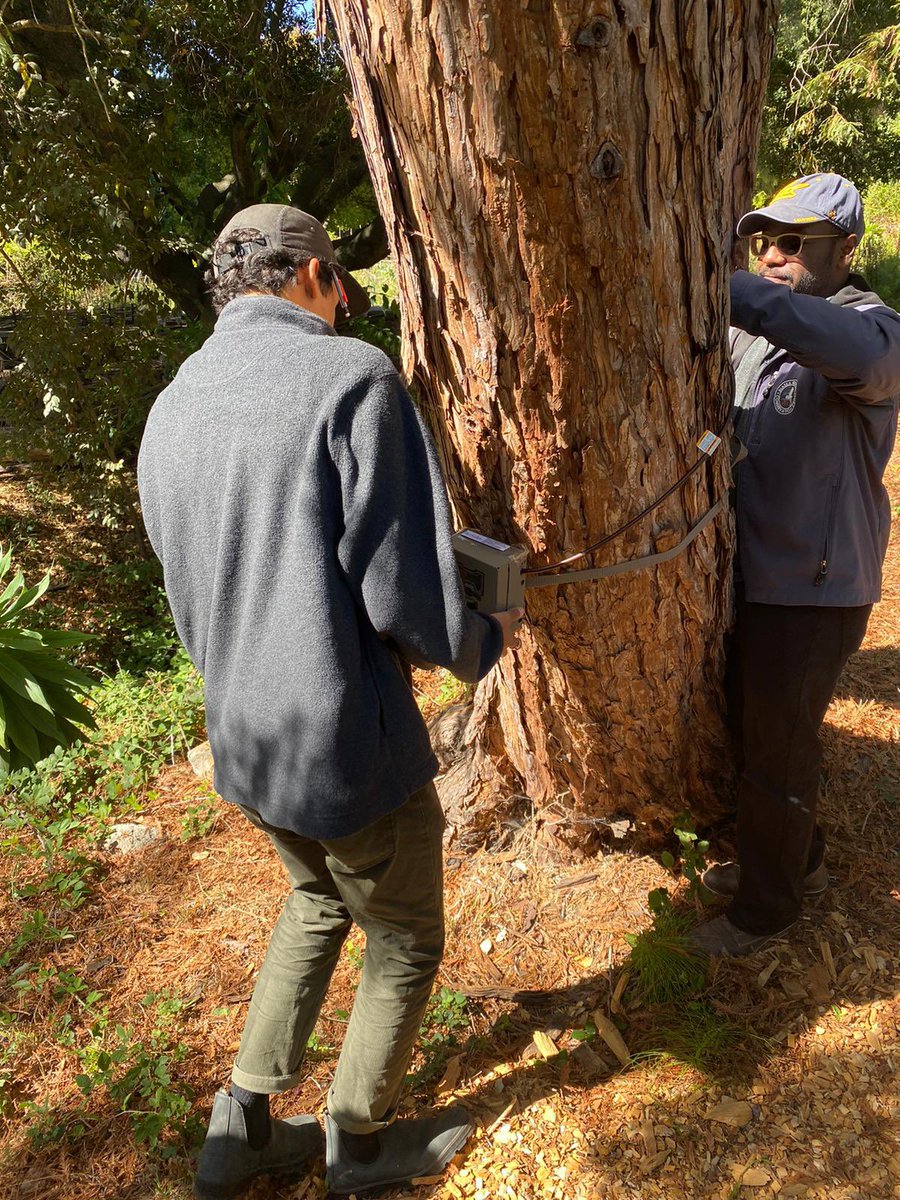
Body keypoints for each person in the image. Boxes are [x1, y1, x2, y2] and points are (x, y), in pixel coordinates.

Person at [137, 204, 523, 1199]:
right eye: (341, 281)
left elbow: (186, 586)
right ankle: (357, 1143)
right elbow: (402, 588)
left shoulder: (174, 404)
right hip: (346, 741)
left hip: (248, 741)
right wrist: (483, 640)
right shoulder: (349, 378)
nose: (346, 299)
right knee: (405, 935)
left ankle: (245, 1126)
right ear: (313, 276)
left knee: (315, 898)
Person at [690, 174, 900, 957]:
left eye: (793, 243)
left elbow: (858, 357)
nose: (773, 257)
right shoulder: (756, 330)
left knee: (779, 749)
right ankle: (791, 859)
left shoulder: (871, 331)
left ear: (846, 249)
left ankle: (766, 910)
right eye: (762, 242)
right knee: (751, 733)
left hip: (815, 589)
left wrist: (727, 286)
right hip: (748, 576)